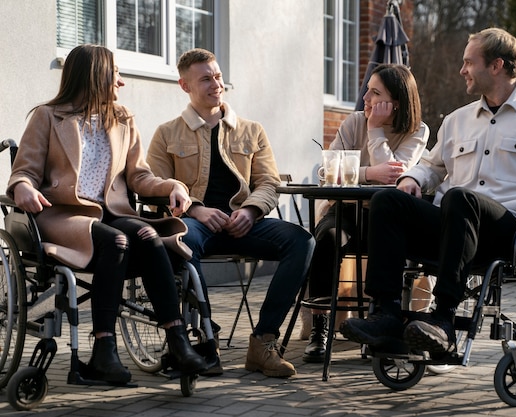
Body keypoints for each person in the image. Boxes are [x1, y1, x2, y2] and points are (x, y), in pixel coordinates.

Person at [339, 27, 516, 355]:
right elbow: (432, 167)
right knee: (388, 200)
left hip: (511, 232)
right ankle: (387, 315)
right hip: (455, 226)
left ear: (496, 66)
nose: (462, 70)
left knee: (459, 198)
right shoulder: (457, 120)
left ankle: (444, 321)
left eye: (468, 62)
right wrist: (412, 179)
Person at [6, 44, 210, 384]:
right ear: (95, 75)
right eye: (116, 74)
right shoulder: (47, 117)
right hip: (62, 215)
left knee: (148, 234)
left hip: (110, 212)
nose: (121, 82)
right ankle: (104, 351)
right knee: (116, 240)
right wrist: (23, 187)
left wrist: (172, 185)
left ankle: (177, 341)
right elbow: (23, 171)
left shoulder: (122, 118)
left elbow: (138, 176)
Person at [146, 48, 315, 378]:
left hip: (245, 225)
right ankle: (204, 339)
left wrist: (251, 211)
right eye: (206, 79)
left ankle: (263, 343)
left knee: (303, 241)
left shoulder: (252, 130)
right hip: (195, 226)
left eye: (218, 76)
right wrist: (196, 209)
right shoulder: (167, 133)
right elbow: (155, 185)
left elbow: (268, 182)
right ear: (185, 86)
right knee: (180, 243)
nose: (216, 84)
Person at [303, 63, 429, 363]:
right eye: (367, 91)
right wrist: (370, 171)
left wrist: (375, 131)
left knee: (392, 249)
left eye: (375, 93)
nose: (365, 100)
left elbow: (395, 177)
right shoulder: (353, 122)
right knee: (326, 240)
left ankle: (379, 323)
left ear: (395, 101)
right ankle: (320, 329)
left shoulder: (417, 131)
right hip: (345, 211)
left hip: (387, 219)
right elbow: (326, 173)